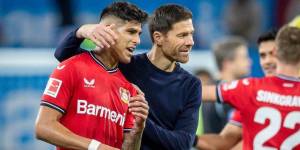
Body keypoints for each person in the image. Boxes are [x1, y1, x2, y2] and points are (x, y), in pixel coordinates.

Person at [54, 4, 201, 150]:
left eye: (191, 34)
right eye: (182, 35)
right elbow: (64, 56)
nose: (191, 42)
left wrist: (137, 119)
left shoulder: (191, 85)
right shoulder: (125, 65)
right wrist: (82, 30)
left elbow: (182, 144)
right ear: (158, 38)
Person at [35, 2, 149, 150]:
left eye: (139, 34)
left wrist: (137, 132)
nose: (137, 41)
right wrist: (97, 147)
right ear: (109, 30)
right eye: (131, 31)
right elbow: (43, 127)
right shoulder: (71, 68)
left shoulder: (130, 89)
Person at [201, 24, 300, 149]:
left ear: (280, 54)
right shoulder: (251, 92)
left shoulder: (251, 90)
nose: (267, 61)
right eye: (262, 55)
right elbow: (225, 140)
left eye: (272, 54)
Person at [201, 37, 251, 134]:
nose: (249, 61)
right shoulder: (221, 95)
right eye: (244, 57)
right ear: (227, 63)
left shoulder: (211, 89)